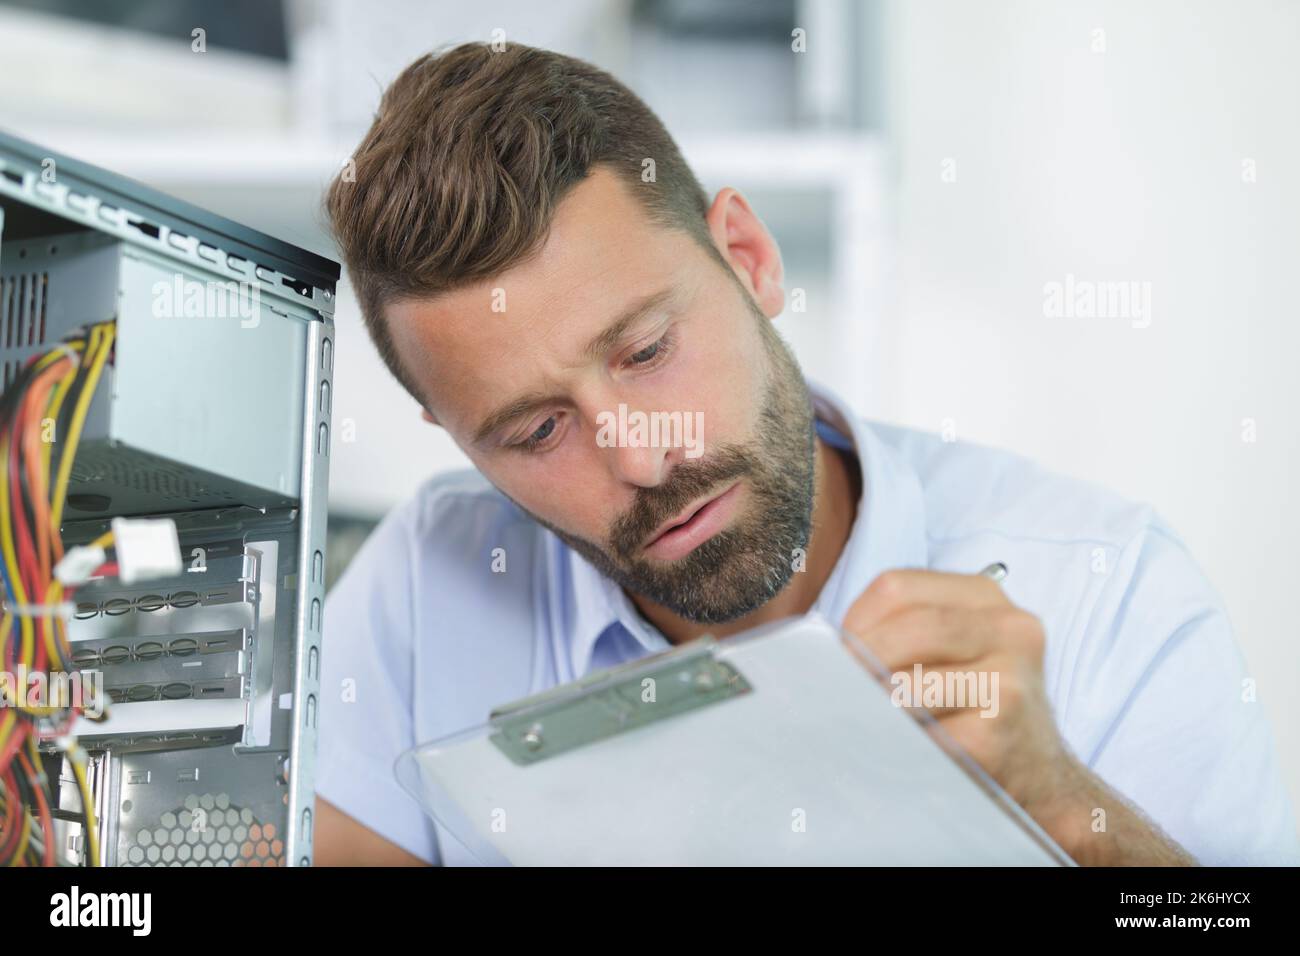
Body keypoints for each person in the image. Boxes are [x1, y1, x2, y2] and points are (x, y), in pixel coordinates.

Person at [312, 41, 1298, 866]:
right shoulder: (421, 590)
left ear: (748, 257)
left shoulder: (1105, 584)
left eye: (648, 351)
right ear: (456, 438)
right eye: (536, 431)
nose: (643, 462)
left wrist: (1054, 796)